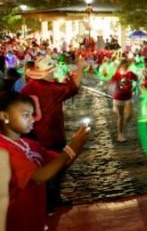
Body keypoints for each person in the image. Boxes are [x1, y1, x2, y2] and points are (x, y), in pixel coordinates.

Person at [0, 93, 89, 231]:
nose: (33, 119)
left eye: (32, 114)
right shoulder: (4, 149)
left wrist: (77, 145)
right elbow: (41, 175)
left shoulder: (29, 143)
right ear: (5, 117)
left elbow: (59, 164)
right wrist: (72, 148)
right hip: (14, 220)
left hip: (35, 215)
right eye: (25, 115)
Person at [20, 56, 86, 212]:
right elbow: (74, 87)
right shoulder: (51, 89)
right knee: (56, 168)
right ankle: (52, 202)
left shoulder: (27, 88)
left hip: (31, 135)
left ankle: (41, 200)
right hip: (51, 135)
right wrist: (80, 68)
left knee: (38, 168)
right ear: (48, 72)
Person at [110, 59, 137, 142]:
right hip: (118, 97)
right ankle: (120, 134)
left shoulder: (130, 74)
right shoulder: (116, 75)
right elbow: (112, 84)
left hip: (128, 97)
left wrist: (135, 87)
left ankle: (122, 126)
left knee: (129, 115)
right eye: (124, 65)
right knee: (120, 116)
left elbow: (137, 79)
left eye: (127, 65)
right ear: (121, 65)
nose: (125, 66)